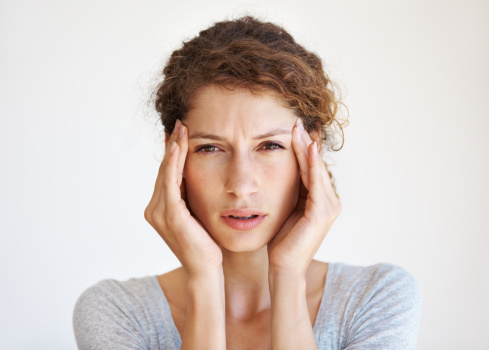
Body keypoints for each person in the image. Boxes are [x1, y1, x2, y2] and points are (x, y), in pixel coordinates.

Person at [73, 16, 422, 350]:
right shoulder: (117, 312)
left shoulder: (375, 298)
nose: (240, 185)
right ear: (173, 153)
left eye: (269, 146)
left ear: (310, 150)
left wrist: (287, 277)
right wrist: (205, 281)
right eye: (210, 148)